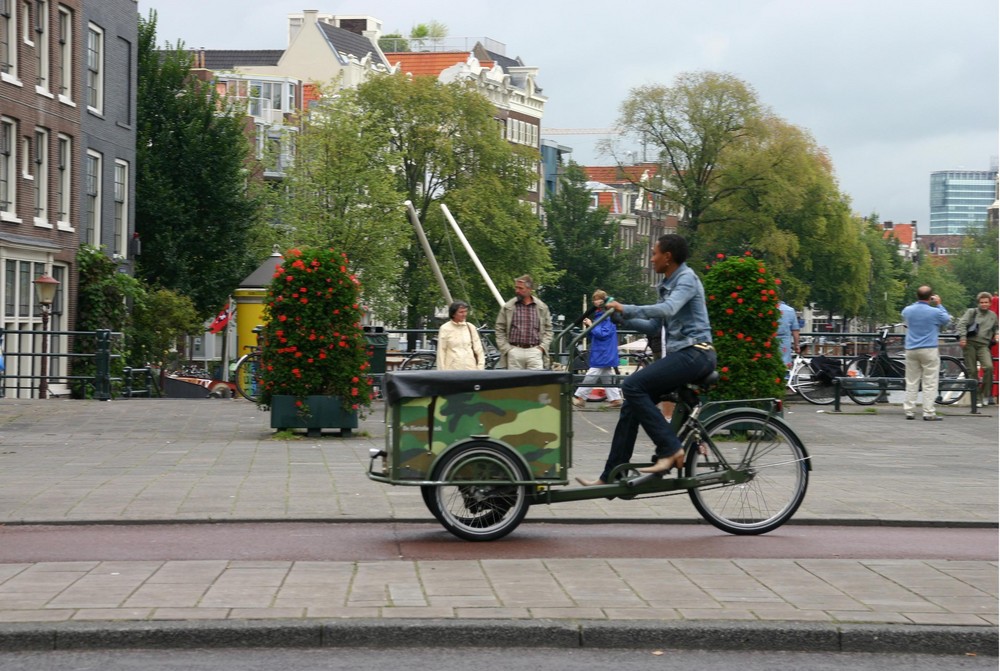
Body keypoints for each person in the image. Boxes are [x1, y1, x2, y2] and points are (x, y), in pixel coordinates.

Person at [576, 234, 716, 486]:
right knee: (630, 406)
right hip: (685, 355)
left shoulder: (686, 279)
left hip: (697, 353)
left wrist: (625, 307)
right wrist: (620, 317)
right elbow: (654, 325)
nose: (651, 259)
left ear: (667, 257)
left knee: (631, 385)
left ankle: (671, 449)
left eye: (654, 253)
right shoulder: (668, 283)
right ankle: (612, 474)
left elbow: (668, 309)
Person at [901, 286, 951, 421]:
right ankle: (928, 412)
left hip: (911, 349)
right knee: (930, 381)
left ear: (917, 296)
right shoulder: (935, 312)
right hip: (929, 349)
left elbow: (905, 315)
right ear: (931, 297)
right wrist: (939, 304)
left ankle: (909, 411)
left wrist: (918, 303)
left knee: (911, 381)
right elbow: (946, 320)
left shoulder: (908, 311)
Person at [573, 290, 624, 409]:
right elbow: (596, 334)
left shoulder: (607, 315)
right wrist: (589, 327)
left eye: (597, 299)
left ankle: (580, 398)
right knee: (606, 374)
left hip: (604, 350)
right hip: (602, 350)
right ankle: (615, 399)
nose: (595, 301)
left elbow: (603, 334)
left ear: (603, 300)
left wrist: (591, 325)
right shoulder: (601, 314)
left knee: (593, 372)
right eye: (594, 299)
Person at [495, 274, 553, 370]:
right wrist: (507, 349)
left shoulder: (542, 307)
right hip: (514, 351)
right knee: (515, 383)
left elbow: (548, 330)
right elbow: (499, 329)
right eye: (516, 287)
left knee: (535, 383)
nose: (517, 291)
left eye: (520, 288)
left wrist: (542, 347)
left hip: (535, 351)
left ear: (529, 289)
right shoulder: (508, 307)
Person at [955, 291, 998, 406]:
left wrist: (997, 333)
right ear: (978, 303)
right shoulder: (971, 312)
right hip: (970, 344)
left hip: (983, 345)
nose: (984, 304)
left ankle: (985, 394)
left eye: (986, 302)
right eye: (981, 302)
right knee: (972, 371)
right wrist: (963, 338)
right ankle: (977, 397)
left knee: (989, 367)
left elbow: (996, 327)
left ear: (989, 303)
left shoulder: (993, 316)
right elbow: (962, 324)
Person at [436, 301, 485, 371]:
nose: (464, 314)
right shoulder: (445, 328)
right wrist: (441, 372)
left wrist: (480, 368)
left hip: (470, 369)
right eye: (461, 312)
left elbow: (478, 349)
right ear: (453, 314)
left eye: (465, 311)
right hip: (452, 370)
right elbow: (441, 351)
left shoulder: (470, 327)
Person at [776, 293, 801, 366]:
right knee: (784, 365)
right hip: (784, 343)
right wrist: (797, 345)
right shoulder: (790, 310)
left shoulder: (765, 309)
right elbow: (795, 330)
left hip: (768, 342)